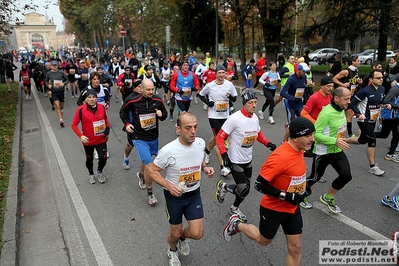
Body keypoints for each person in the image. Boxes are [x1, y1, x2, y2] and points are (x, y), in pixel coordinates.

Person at [222, 117, 314, 266]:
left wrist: (304, 186)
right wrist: (287, 195)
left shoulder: (300, 150)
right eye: (308, 135)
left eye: (313, 134)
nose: (312, 139)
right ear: (295, 138)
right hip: (273, 208)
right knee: (264, 240)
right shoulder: (280, 157)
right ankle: (236, 224)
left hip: (292, 208)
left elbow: (293, 175)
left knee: (295, 247)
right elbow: (259, 185)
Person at [147, 112, 214, 266]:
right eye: (188, 128)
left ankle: (182, 238)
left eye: (195, 127)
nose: (193, 131)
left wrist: (204, 167)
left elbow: (200, 158)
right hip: (174, 198)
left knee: (197, 233)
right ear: (178, 129)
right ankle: (172, 250)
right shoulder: (168, 150)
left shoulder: (200, 143)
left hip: (194, 194)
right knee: (175, 233)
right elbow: (152, 170)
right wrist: (169, 186)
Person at [215, 89, 276, 221]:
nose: (254, 105)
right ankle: (234, 208)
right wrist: (224, 156)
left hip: (247, 158)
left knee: (245, 189)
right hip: (235, 159)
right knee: (244, 188)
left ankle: (225, 188)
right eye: (250, 103)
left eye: (255, 102)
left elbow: (257, 134)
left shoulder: (254, 118)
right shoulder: (234, 119)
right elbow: (220, 137)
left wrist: (268, 143)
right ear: (244, 103)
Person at [301, 87, 353, 212]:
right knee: (315, 177)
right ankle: (301, 195)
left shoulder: (341, 109)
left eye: (350, 98)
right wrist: (335, 140)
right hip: (323, 151)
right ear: (336, 98)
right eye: (346, 99)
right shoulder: (326, 113)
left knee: (346, 175)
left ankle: (328, 197)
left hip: (337, 150)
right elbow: (316, 134)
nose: (349, 101)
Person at [120, 79, 168, 205]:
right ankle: (150, 193)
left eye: (152, 89)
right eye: (148, 89)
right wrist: (127, 124)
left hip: (153, 137)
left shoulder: (157, 100)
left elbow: (164, 115)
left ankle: (141, 175)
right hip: (139, 138)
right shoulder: (133, 100)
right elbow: (123, 112)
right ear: (141, 89)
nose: (151, 92)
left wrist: (160, 115)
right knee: (149, 165)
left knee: (146, 161)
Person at [198, 65, 238, 177]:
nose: (221, 75)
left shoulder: (229, 85)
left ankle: (206, 151)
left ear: (226, 74)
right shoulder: (210, 85)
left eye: (223, 73)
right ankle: (223, 167)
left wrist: (230, 97)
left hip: (225, 115)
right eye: (219, 72)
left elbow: (235, 98)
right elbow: (200, 94)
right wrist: (208, 103)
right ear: (216, 74)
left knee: (217, 137)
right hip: (214, 116)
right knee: (220, 139)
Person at [350, 69, 386, 176]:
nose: (381, 80)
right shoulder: (365, 91)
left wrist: (385, 105)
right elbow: (351, 103)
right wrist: (357, 114)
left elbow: (380, 101)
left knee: (362, 140)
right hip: (363, 119)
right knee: (372, 140)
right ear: (371, 79)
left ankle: (344, 140)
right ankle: (373, 167)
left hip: (373, 119)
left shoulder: (382, 89)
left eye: (381, 78)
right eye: (378, 78)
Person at [71, 89, 110, 184]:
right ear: (85, 99)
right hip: (88, 140)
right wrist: (81, 136)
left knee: (103, 158)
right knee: (89, 159)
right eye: (89, 97)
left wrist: (107, 129)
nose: (91, 99)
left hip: (101, 139)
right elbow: (73, 124)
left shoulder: (101, 107)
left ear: (97, 98)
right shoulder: (80, 109)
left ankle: (100, 171)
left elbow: (105, 119)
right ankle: (91, 174)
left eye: (93, 97)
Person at [332, 55, 362, 137]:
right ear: (353, 61)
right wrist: (343, 85)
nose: (360, 62)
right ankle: (348, 133)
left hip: (352, 95)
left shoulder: (357, 71)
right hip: (343, 96)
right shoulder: (346, 71)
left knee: (350, 114)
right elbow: (334, 79)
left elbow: (355, 81)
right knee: (344, 113)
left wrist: (359, 82)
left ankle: (349, 133)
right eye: (358, 60)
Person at [375, 79, 399, 163]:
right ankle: (366, 134)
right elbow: (386, 101)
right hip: (389, 116)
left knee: (396, 134)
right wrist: (397, 106)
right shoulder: (395, 89)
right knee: (384, 134)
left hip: (396, 116)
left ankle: (390, 153)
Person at [122, 79, 143, 170]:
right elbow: (123, 112)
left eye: (143, 87)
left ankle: (144, 170)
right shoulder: (130, 98)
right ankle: (126, 157)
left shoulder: (148, 97)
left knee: (145, 146)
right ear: (134, 88)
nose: (142, 89)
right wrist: (127, 124)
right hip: (133, 127)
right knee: (130, 145)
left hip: (145, 127)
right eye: (139, 87)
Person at [45, 60, 70, 127]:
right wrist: (48, 85)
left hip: (61, 91)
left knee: (61, 106)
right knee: (57, 105)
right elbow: (45, 81)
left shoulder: (61, 73)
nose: (55, 67)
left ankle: (61, 110)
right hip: (54, 91)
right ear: (51, 66)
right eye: (53, 65)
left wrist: (63, 83)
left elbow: (67, 80)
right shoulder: (49, 73)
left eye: (56, 65)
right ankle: (61, 120)